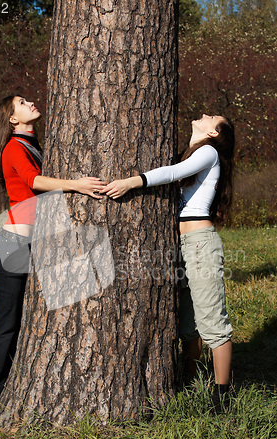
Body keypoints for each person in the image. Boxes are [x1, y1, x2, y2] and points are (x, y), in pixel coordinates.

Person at [0, 95, 106, 419]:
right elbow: (35, 182)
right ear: (12, 119)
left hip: (40, 239)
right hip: (16, 242)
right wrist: (77, 185)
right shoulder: (14, 148)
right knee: (7, 322)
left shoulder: (34, 144)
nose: (31, 102)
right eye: (22, 102)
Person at [100, 114, 235, 411]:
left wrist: (131, 183)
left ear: (214, 132)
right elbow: (179, 166)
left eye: (213, 117)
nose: (205, 114)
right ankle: (190, 380)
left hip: (200, 244)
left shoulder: (209, 152)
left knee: (212, 321)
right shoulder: (194, 152)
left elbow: (174, 172)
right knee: (187, 322)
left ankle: (221, 397)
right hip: (179, 244)